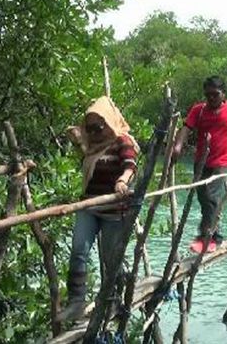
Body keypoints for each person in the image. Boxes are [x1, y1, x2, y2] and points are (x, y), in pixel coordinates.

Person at [57, 96, 139, 321]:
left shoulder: (122, 141)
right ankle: (76, 301)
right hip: (90, 205)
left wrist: (123, 180)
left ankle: (113, 301)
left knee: (111, 258)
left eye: (98, 127)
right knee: (78, 250)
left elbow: (130, 164)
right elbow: (86, 155)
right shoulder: (91, 145)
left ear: (110, 123)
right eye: (89, 128)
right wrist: (78, 140)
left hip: (114, 210)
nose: (93, 133)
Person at [172, 75, 227, 253]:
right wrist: (178, 146)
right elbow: (186, 128)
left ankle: (209, 237)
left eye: (215, 94)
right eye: (208, 95)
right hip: (201, 162)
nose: (211, 98)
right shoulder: (199, 110)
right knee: (204, 199)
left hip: (223, 162)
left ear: (223, 94)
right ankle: (211, 234)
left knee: (212, 197)